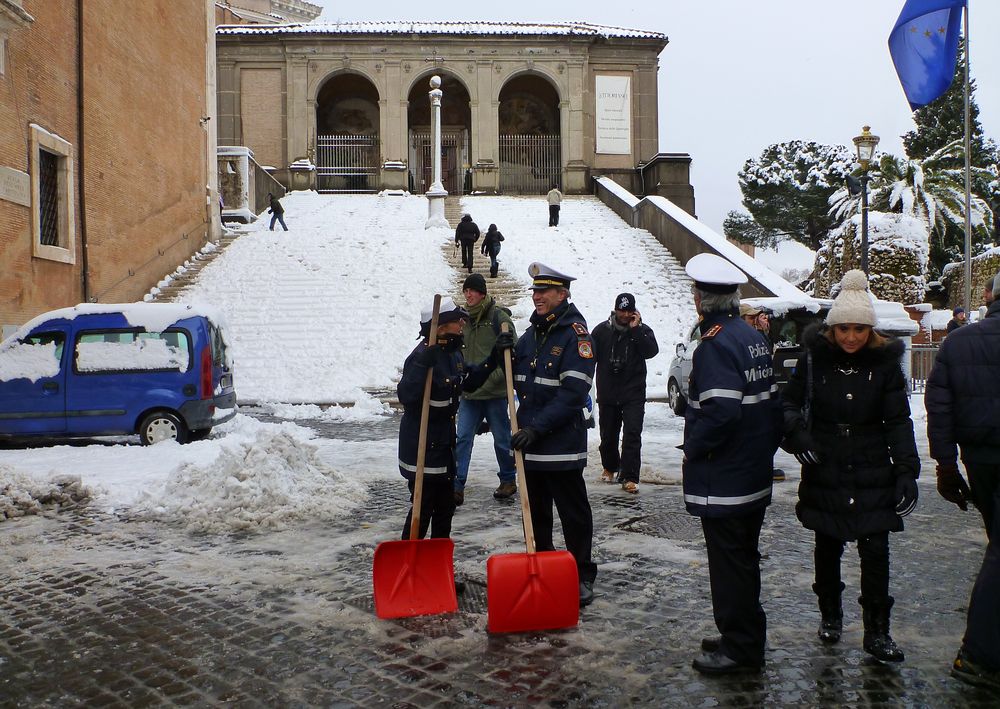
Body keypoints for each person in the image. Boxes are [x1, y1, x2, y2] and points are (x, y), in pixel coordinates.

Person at [781, 270, 919, 664]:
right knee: (827, 546)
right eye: (843, 329)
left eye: (859, 329)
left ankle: (878, 630)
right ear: (832, 328)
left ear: (870, 329)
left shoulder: (886, 366)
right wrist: (798, 436)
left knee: (876, 552)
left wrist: (906, 469)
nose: (851, 337)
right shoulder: (812, 361)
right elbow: (788, 405)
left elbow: (897, 421)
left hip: (873, 465)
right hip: (826, 464)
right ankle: (831, 615)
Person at [681, 253, 782, 675]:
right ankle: (742, 633)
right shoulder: (749, 335)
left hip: (725, 476)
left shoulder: (716, 344)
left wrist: (693, 446)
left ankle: (740, 648)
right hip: (751, 470)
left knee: (730, 564)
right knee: (743, 558)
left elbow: (721, 412)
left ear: (699, 299)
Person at [925, 270, 1000, 690]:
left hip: (980, 461)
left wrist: (946, 465)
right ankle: (980, 654)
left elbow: (939, 405)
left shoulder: (959, 342)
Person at [507, 262, 598, 607]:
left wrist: (535, 428)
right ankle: (544, 565)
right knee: (538, 514)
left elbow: (572, 395)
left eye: (544, 291)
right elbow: (513, 377)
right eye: (534, 291)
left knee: (573, 515)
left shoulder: (576, 336)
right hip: (530, 446)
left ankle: (581, 574)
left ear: (562, 294)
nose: (537, 297)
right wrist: (501, 350)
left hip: (560, 446)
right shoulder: (531, 335)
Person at [396, 297, 507, 542]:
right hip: (422, 448)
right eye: (458, 321)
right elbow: (406, 395)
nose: (462, 325)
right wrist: (423, 367)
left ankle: (438, 564)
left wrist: (492, 360)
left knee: (446, 508)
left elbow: (468, 381)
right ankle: (410, 562)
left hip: (444, 447)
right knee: (421, 510)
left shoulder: (452, 354)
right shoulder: (421, 356)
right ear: (443, 326)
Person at [454, 273, 518, 506]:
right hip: (470, 394)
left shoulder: (498, 318)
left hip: (494, 393)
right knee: (462, 438)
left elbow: (512, 356)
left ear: (482, 293)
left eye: (472, 290)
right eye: (465, 291)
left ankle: (508, 480)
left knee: (502, 439)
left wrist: (491, 380)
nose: (468, 294)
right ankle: (456, 485)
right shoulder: (463, 319)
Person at [591, 292, 659, 494]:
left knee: (632, 434)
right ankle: (610, 467)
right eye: (622, 310)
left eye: (629, 311)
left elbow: (651, 352)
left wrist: (635, 330)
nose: (625, 314)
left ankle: (629, 476)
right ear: (615, 310)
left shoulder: (643, 331)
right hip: (608, 393)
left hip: (633, 394)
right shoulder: (601, 331)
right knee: (608, 436)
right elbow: (589, 356)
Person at [740, 302, 786, 483]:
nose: (755, 321)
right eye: (751, 318)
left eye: (755, 318)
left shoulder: (758, 337)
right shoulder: (738, 340)